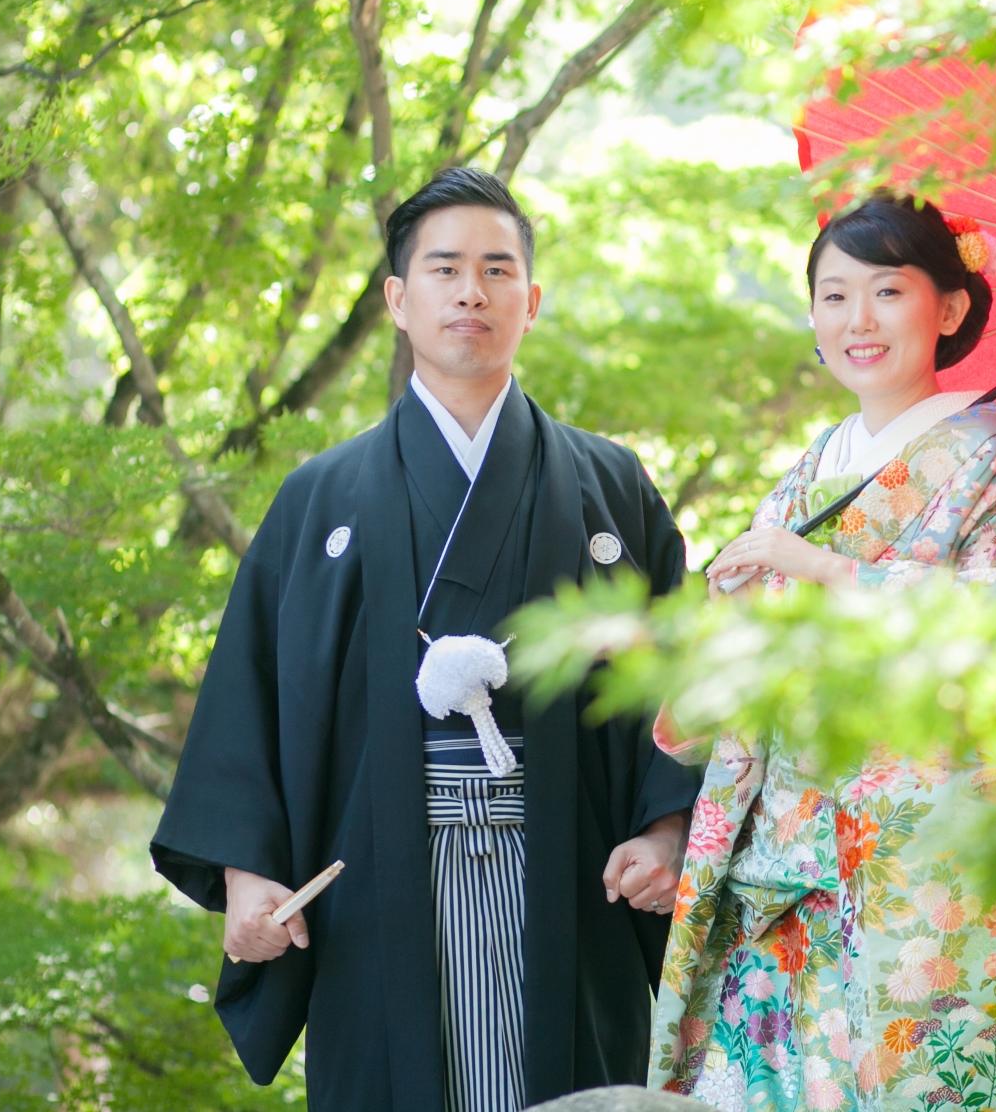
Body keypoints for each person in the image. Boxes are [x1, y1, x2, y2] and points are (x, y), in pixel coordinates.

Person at [151, 167, 703, 1112]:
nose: (471, 292)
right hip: (377, 877)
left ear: (532, 301)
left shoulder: (611, 484)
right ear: (398, 302)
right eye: (444, 270)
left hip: (570, 876)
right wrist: (249, 879)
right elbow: (248, 702)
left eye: (497, 270)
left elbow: (680, 678)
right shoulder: (319, 498)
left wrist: (664, 831)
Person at [648, 191, 996, 1112]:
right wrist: (733, 617)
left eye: (886, 291)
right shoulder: (806, 472)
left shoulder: (988, 448)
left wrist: (826, 569)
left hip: (914, 859)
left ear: (947, 309)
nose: (856, 321)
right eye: (832, 295)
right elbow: (707, 712)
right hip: (779, 856)